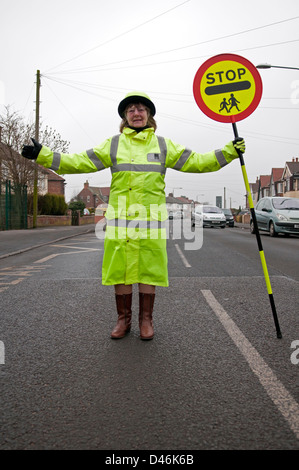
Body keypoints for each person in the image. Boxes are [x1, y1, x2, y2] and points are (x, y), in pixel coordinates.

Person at [22, 91, 245, 341]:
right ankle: (123, 320)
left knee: (149, 271)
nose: (136, 113)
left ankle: (146, 321)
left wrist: (229, 152)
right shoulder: (114, 144)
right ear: (125, 117)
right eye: (131, 110)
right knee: (121, 272)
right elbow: (80, 162)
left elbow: (198, 162)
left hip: (151, 225)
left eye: (140, 109)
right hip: (120, 224)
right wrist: (43, 154)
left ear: (149, 115)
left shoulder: (163, 145)